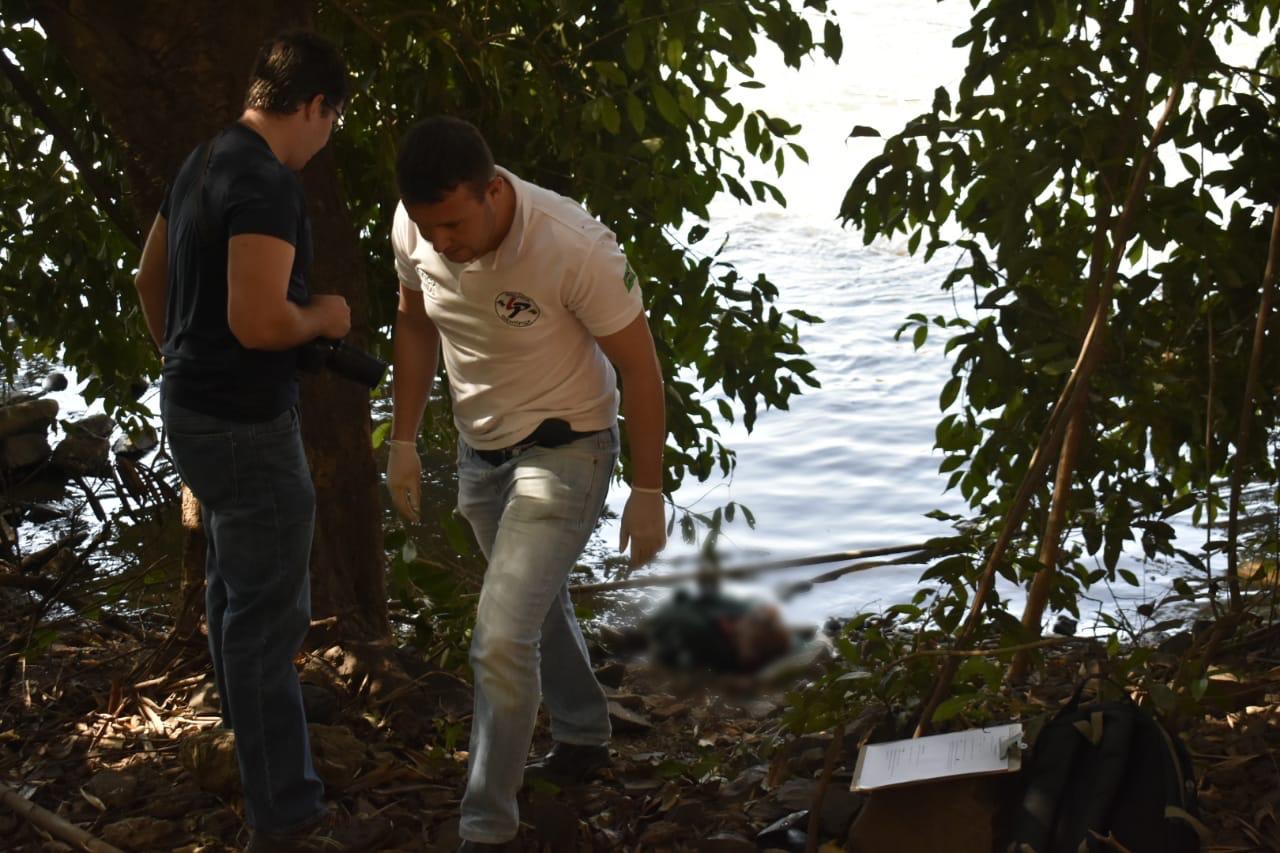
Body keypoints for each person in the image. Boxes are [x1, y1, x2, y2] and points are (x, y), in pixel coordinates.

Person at [385, 116, 668, 851]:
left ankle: (486, 828)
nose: (440, 242)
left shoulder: (571, 245)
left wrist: (646, 492)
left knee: (499, 638)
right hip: (480, 453)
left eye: (452, 223)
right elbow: (413, 322)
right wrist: (405, 440)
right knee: (533, 611)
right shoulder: (414, 227)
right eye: (427, 227)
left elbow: (640, 368)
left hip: (567, 447)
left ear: (492, 191)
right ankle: (582, 732)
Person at [132, 31, 384, 852]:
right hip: (245, 422)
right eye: (331, 120)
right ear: (314, 105)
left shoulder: (206, 160)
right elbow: (261, 319)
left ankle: (249, 729)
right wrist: (327, 316)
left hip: (192, 406)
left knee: (233, 587)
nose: (326, 138)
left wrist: (180, 357)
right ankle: (286, 812)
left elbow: (148, 279)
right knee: (269, 614)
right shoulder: (268, 182)